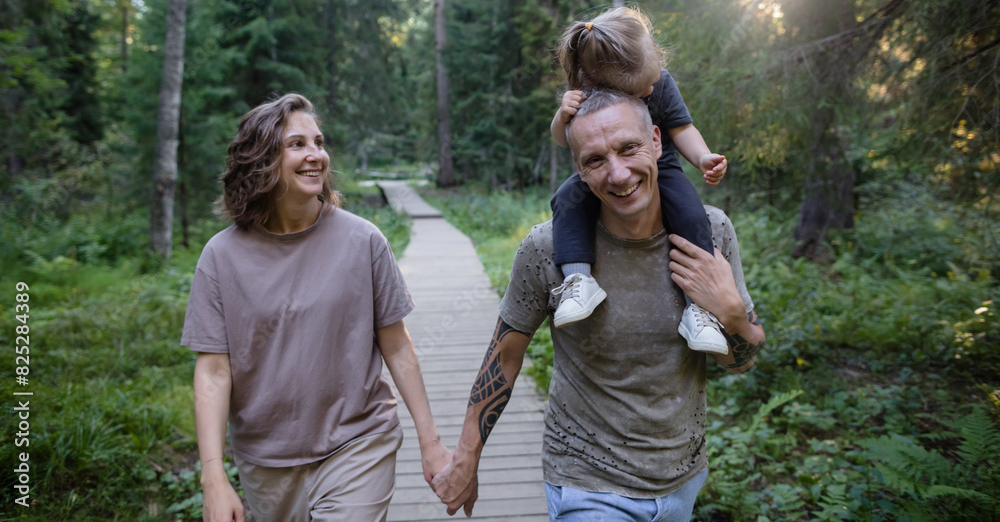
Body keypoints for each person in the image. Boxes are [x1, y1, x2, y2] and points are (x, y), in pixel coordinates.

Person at [431, 89, 765, 521]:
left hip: (682, 481)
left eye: (628, 148)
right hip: (585, 482)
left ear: (657, 142)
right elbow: (505, 356)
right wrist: (465, 458)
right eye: (595, 160)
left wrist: (731, 312)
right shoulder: (547, 247)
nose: (618, 174)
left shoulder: (710, 235)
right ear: (579, 169)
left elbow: (740, 362)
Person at [180, 93, 450, 522]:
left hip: (358, 442)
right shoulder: (220, 257)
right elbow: (213, 370)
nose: (316, 155)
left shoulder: (363, 241)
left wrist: (430, 441)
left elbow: (397, 346)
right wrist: (213, 477)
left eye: (319, 143)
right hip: (265, 463)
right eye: (297, 144)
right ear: (261, 159)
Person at [548, 6, 730, 356]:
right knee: (566, 200)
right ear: (607, 85)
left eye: (652, 80)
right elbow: (563, 139)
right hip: (602, 168)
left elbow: (682, 128)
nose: (650, 87)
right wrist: (562, 116)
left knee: (691, 214)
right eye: (642, 88)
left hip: (661, 164)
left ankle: (700, 309)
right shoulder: (585, 91)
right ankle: (578, 279)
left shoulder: (659, 82)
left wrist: (702, 157)